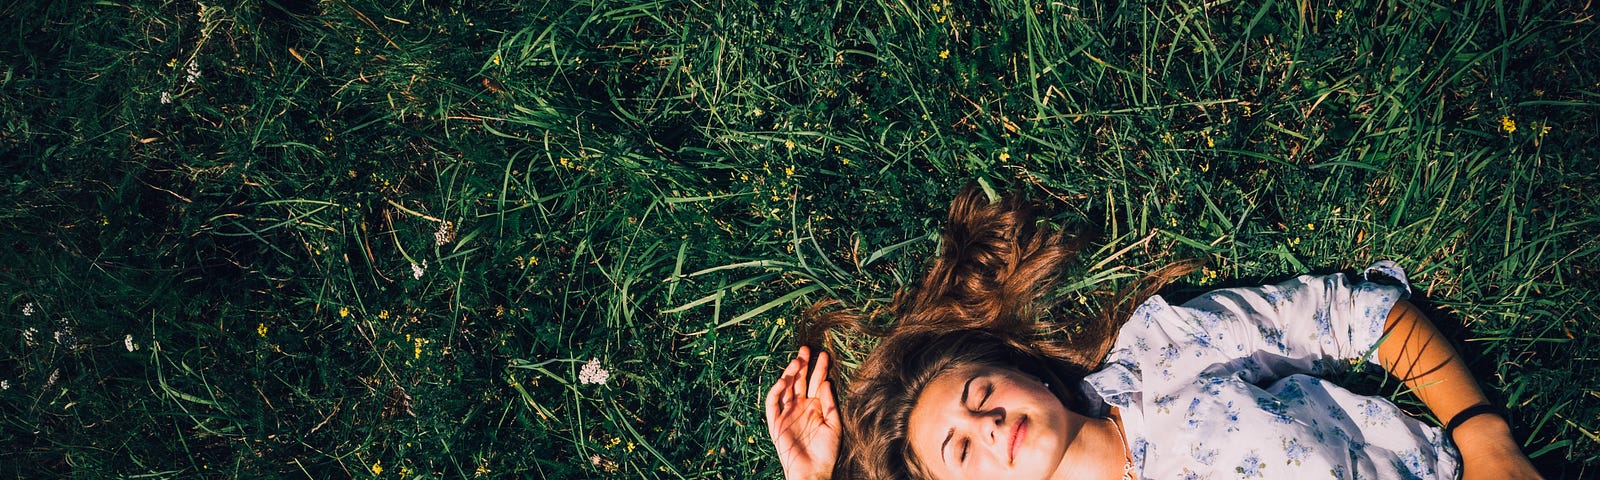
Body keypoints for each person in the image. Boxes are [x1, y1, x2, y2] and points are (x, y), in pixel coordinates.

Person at [763, 186, 1541, 480]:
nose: (988, 424)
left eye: (979, 395)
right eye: (961, 450)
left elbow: (1354, 313)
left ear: (1025, 375)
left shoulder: (1166, 354)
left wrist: (1487, 442)